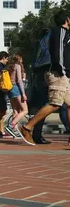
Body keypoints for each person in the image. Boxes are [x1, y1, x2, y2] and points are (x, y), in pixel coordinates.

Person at [19, 10, 70, 145]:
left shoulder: (52, 33)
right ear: (67, 20)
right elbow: (57, 51)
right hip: (57, 72)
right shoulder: (60, 31)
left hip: (56, 73)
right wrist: (61, 69)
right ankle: (27, 127)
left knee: (69, 104)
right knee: (55, 103)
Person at [5, 55, 29, 137]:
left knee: (15, 111)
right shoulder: (17, 66)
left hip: (9, 89)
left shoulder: (8, 67)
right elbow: (19, 81)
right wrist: (23, 93)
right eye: (21, 59)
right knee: (25, 110)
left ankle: (14, 130)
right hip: (16, 88)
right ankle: (12, 125)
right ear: (19, 60)